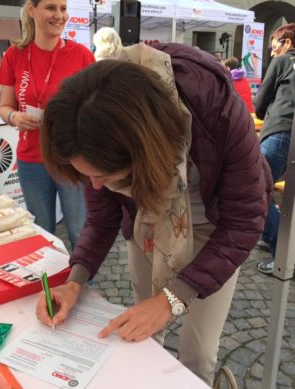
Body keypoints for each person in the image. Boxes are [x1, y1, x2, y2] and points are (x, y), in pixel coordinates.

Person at [35, 43, 272, 386]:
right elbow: (102, 220)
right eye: (87, 176)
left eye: (105, 175)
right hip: (146, 220)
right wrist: (74, 282)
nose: (96, 186)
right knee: (139, 329)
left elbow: (245, 219)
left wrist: (171, 299)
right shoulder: (93, 121)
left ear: (143, 151)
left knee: (200, 351)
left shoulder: (216, 108)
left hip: (216, 225)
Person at [0, 0, 94, 249]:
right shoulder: (14, 55)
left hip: (71, 159)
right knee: (42, 234)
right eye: (51, 8)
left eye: (63, 8)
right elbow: (4, 107)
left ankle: (82, 286)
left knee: (78, 232)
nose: (59, 15)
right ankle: (47, 284)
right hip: (31, 160)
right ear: (32, 10)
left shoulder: (81, 55)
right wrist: (14, 117)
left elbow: (96, 108)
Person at [254, 23, 295, 274]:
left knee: (254, 190)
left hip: (280, 134)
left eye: (273, 47)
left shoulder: (283, 62)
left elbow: (260, 101)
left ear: (287, 43)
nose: (271, 53)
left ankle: (282, 252)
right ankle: (271, 230)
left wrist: (263, 112)